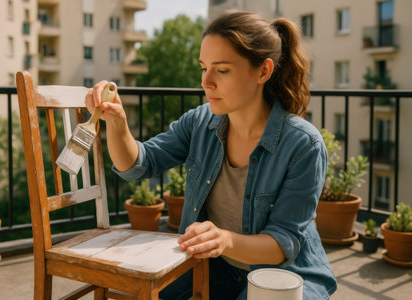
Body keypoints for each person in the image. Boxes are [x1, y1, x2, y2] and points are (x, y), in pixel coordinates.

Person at [85, 10, 337, 300]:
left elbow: (282, 244)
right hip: (215, 266)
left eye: (222, 70)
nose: (207, 82)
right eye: (204, 68)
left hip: (286, 275)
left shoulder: (303, 145)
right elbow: (138, 164)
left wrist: (224, 239)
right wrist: (117, 124)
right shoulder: (199, 122)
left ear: (263, 71)